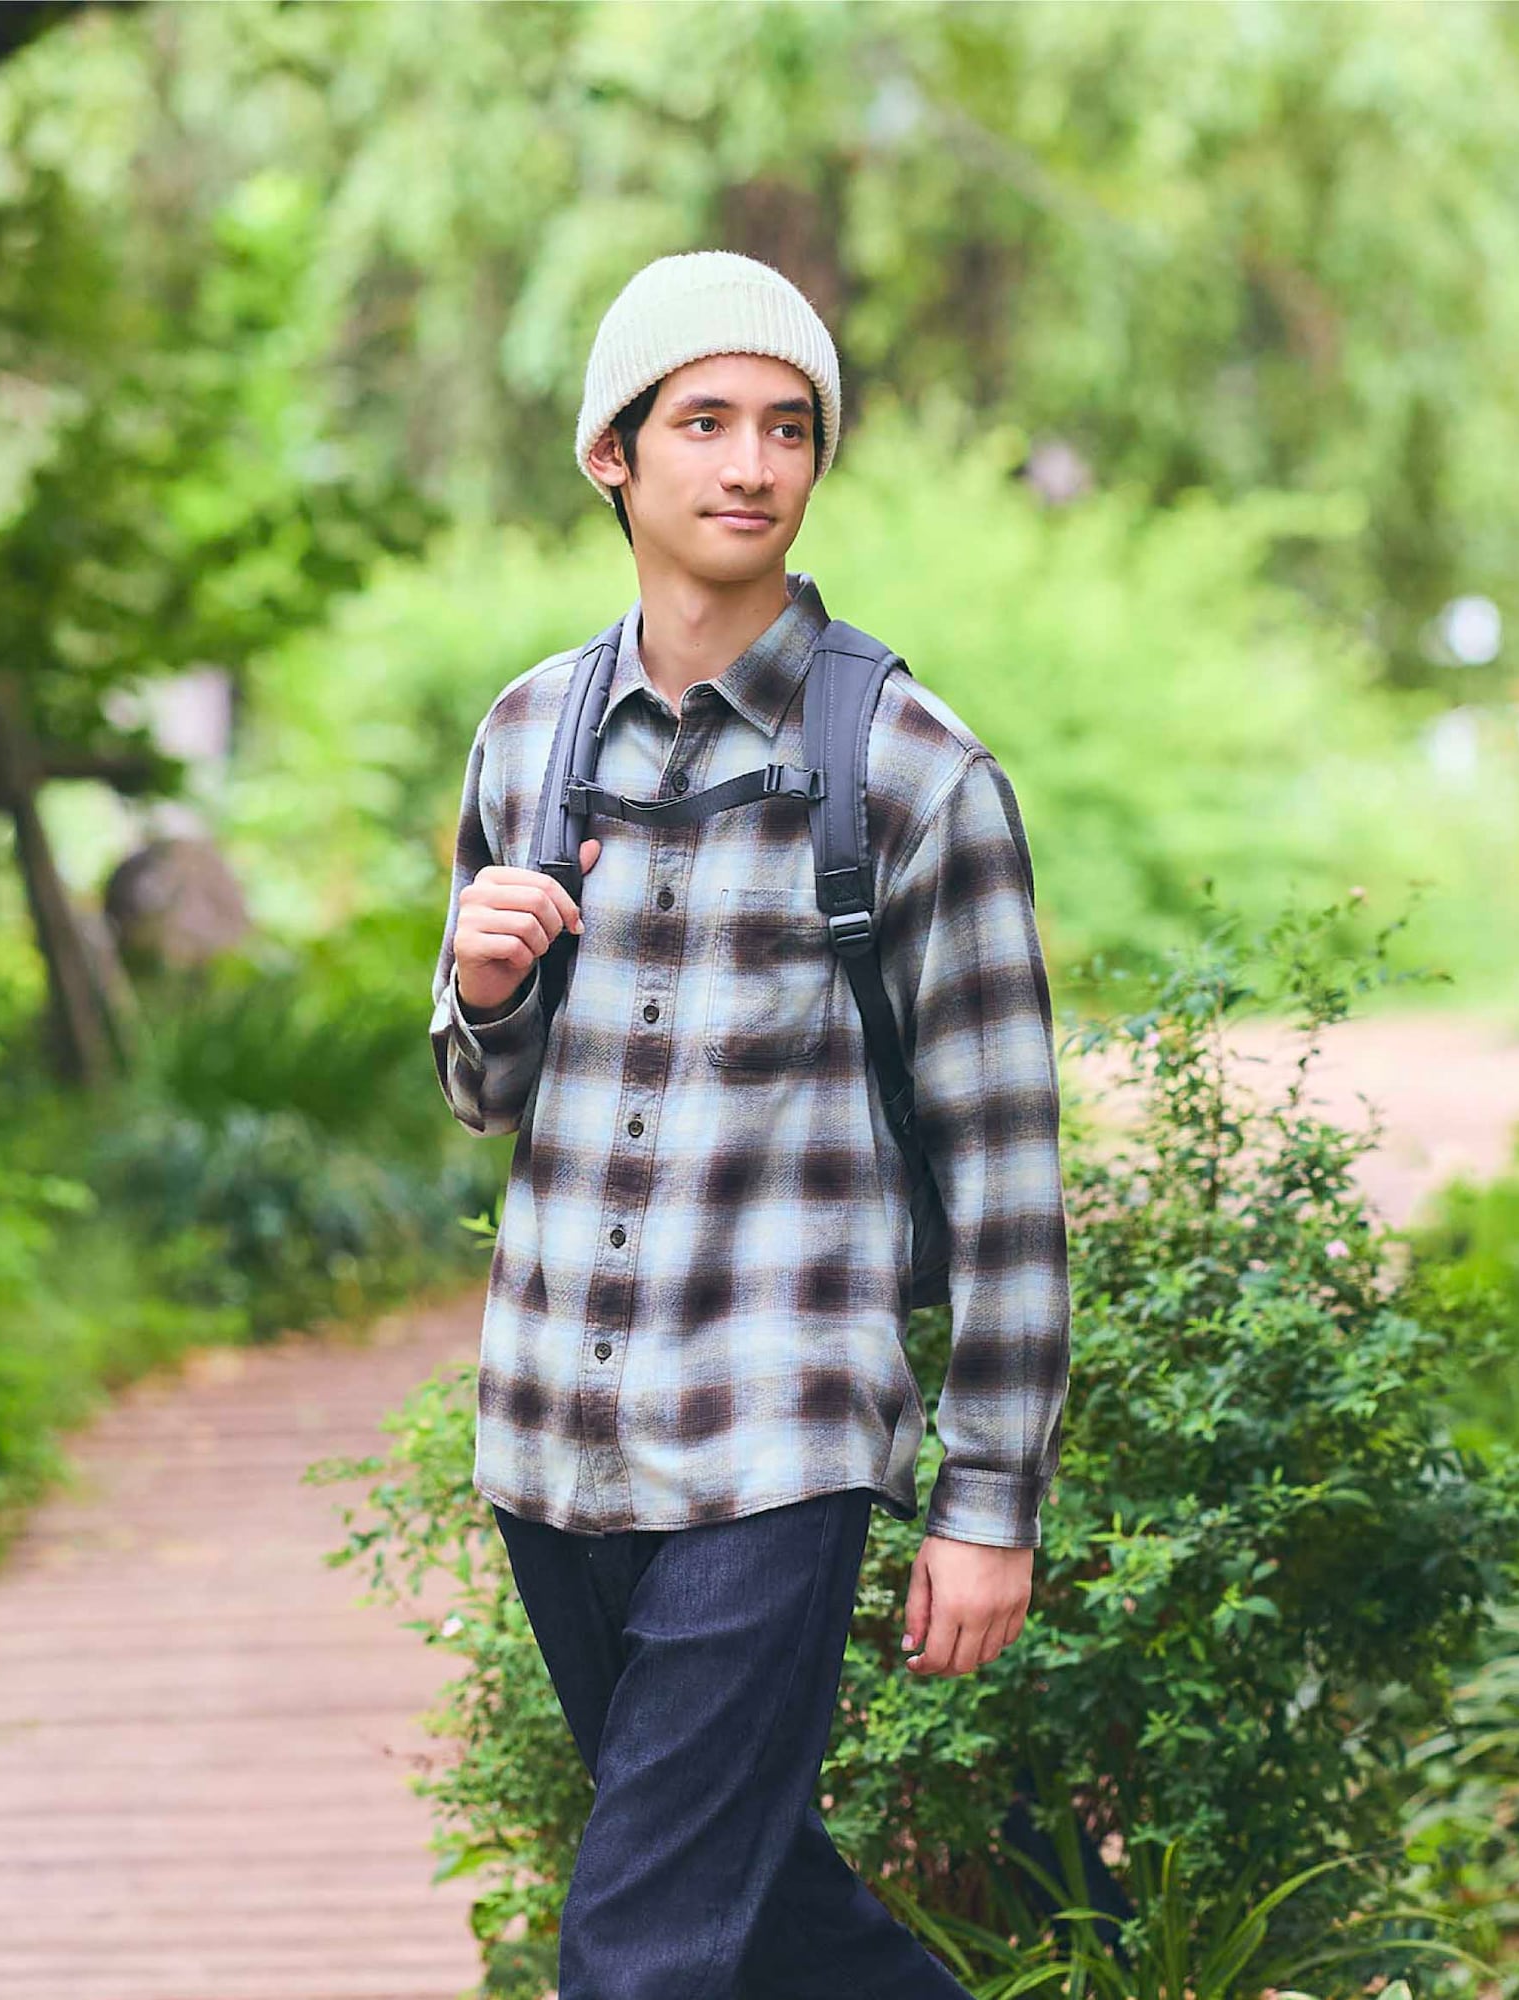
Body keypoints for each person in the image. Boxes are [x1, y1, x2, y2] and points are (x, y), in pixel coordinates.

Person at [428, 249, 1071, 1998]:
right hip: (553, 1432)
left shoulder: (915, 770)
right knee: (758, 1902)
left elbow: (1010, 1172)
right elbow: (487, 1096)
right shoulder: (529, 735)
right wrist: (483, 991)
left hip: (780, 1431)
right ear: (611, 457)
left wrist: (989, 1499)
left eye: (788, 427)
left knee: (638, 1945)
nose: (750, 463)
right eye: (702, 421)